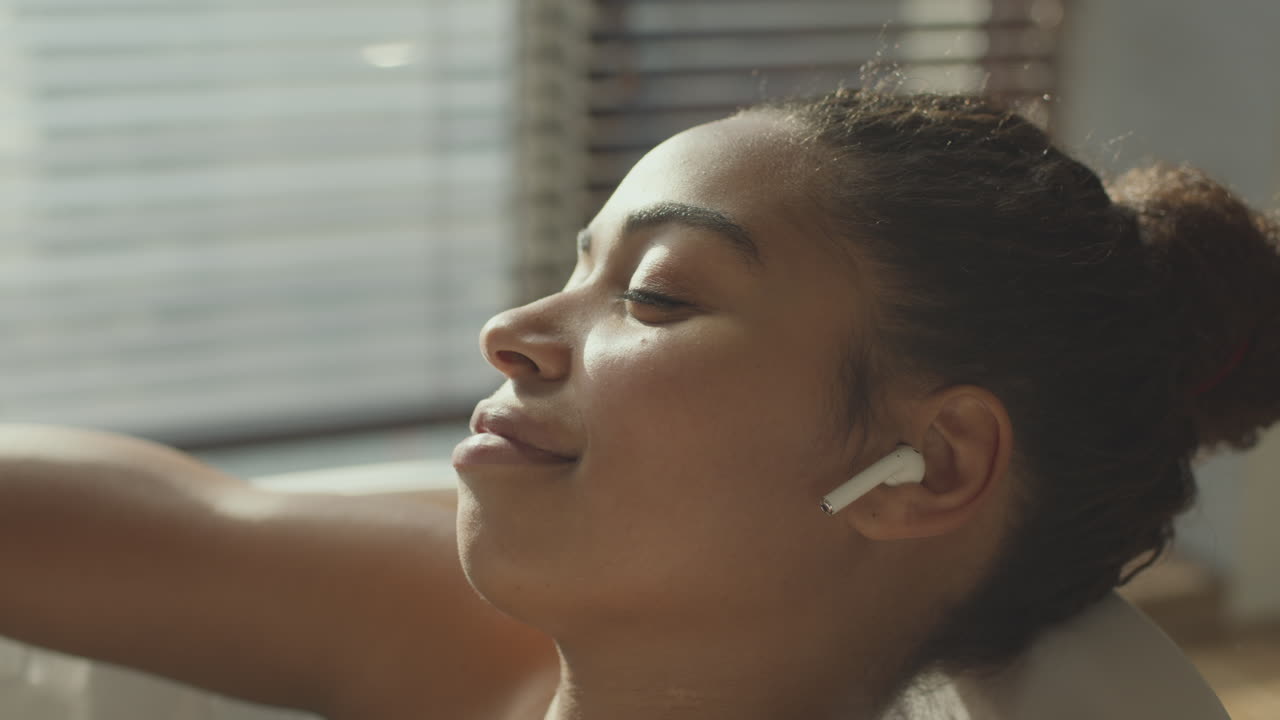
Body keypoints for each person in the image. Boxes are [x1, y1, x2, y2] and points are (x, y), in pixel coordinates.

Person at [1, 89, 1278, 720]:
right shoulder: (491, 656)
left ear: (929, 467)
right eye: (576, 268)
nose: (509, 333)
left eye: (657, 295)